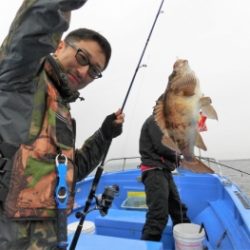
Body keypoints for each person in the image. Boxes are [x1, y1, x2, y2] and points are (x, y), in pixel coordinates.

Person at [0, 1, 124, 249]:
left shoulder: (64, 111)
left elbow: (69, 174)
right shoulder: (22, 79)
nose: (84, 71)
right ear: (58, 45)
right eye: (82, 57)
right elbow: (30, 36)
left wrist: (104, 135)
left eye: (94, 70)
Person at [139, 99, 190, 242]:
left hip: (164, 171)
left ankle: (186, 240)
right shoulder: (155, 121)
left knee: (177, 208)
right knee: (158, 215)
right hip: (155, 172)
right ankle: (148, 245)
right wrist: (181, 153)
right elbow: (163, 146)